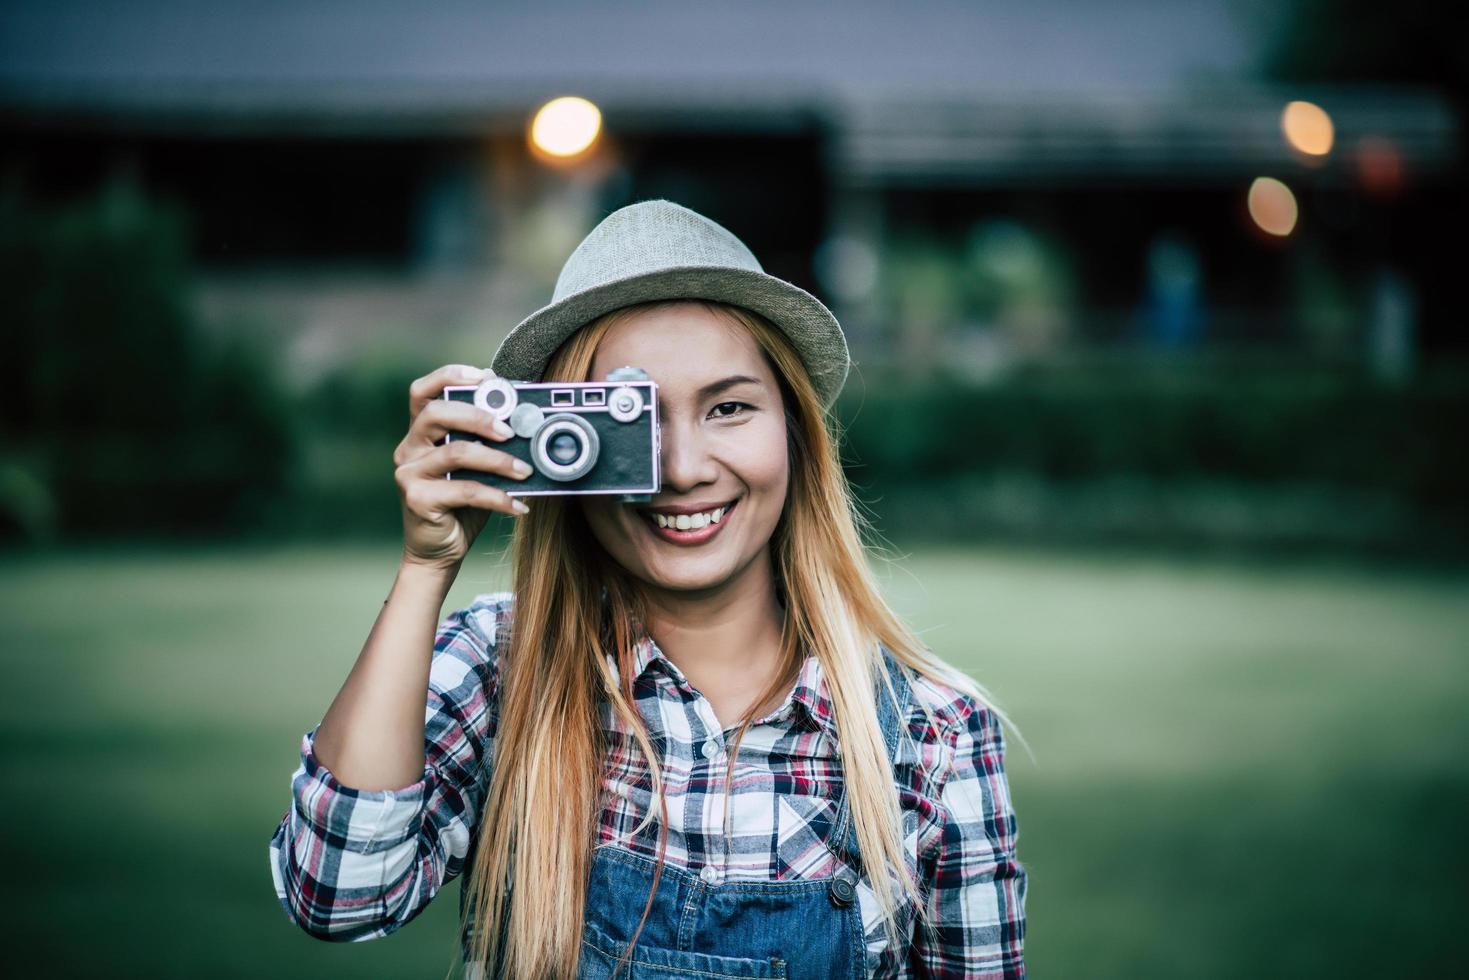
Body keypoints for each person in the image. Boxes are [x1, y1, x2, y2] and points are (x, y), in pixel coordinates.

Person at [268, 199, 1027, 979]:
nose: (684, 467)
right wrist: (426, 569)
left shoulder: (933, 735)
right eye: (632, 424)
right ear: (558, 448)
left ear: (794, 433)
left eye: (728, 408)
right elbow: (339, 895)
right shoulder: (501, 670)